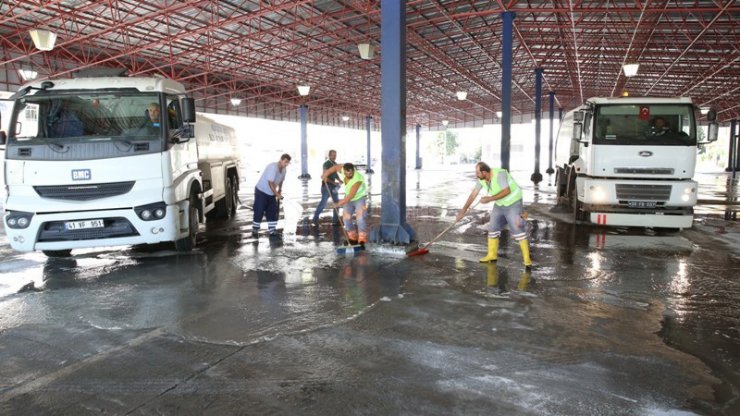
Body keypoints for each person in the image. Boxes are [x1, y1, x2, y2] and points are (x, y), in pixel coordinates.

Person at [457, 162, 531, 268]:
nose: (476, 174)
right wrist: (463, 211)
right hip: (500, 203)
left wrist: (489, 199)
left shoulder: (499, 174)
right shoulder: (482, 179)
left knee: (517, 227)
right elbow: (473, 194)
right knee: (493, 227)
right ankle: (492, 255)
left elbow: (507, 191)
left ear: (484, 172)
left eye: (477, 172)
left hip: (513, 202)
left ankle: (527, 260)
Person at [321, 162, 368, 246]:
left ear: (353, 170)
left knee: (360, 218)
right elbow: (335, 168)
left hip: (359, 198)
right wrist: (325, 174)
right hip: (348, 197)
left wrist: (338, 204)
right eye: (346, 173)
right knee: (346, 218)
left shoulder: (358, 179)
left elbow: (350, 196)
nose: (348, 175)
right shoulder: (343, 170)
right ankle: (352, 238)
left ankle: (362, 240)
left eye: (350, 173)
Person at [253, 153, 291, 238]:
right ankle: (255, 228)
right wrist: (277, 194)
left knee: (272, 211)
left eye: (288, 163)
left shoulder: (284, 170)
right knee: (259, 210)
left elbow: (281, 180)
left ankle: (272, 230)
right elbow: (270, 183)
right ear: (281, 160)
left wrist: (280, 190)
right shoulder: (272, 167)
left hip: (271, 193)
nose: (286, 164)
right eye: (285, 162)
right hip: (261, 191)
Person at [312, 150, 341, 226]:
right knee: (323, 203)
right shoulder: (326, 164)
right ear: (329, 155)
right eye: (333, 155)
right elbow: (325, 176)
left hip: (333, 187)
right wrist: (334, 182)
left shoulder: (335, 164)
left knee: (336, 203)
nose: (334, 157)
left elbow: (335, 174)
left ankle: (335, 221)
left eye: (335, 155)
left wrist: (339, 179)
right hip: (326, 186)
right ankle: (315, 219)